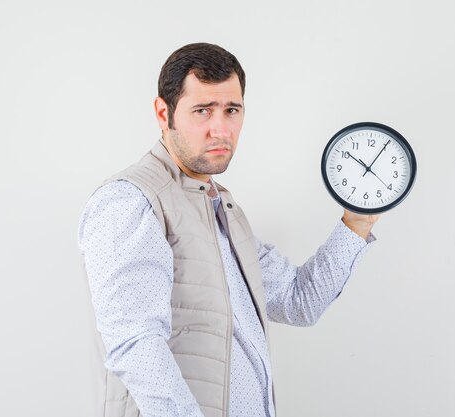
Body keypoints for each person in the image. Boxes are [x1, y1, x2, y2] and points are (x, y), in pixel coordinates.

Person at [78, 42, 379, 417]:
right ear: (163, 113)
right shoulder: (130, 201)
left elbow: (299, 302)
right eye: (202, 110)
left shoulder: (224, 210)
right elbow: (135, 344)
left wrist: (359, 219)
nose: (220, 129)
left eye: (231, 110)